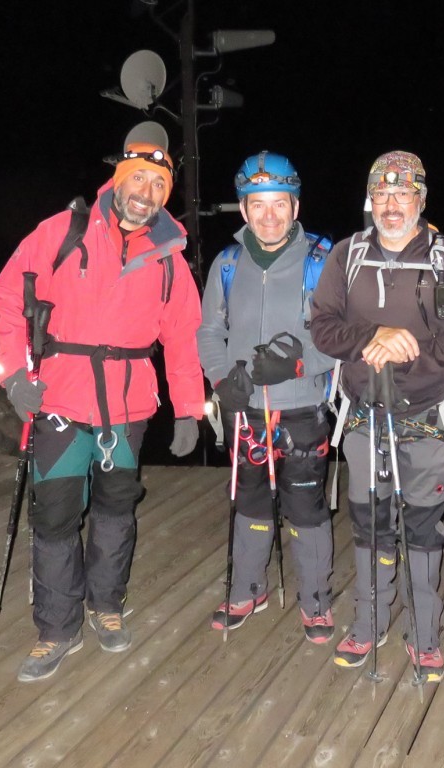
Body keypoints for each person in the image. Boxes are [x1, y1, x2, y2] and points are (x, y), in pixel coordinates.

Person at [0, 142, 206, 682]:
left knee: (115, 510)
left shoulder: (168, 260)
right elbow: (10, 296)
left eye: (159, 186)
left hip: (128, 408)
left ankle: (106, 605)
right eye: (139, 180)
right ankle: (57, 629)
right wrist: (16, 373)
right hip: (59, 399)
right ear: (119, 180)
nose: (147, 194)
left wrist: (187, 409)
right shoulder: (62, 231)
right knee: (56, 516)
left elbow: (183, 337)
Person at [310, 151, 444, 682]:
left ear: (421, 199)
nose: (392, 205)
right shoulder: (347, 255)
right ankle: (369, 621)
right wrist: (374, 338)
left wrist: (412, 348)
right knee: (369, 523)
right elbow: (323, 327)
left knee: (423, 525)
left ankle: (425, 629)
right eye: (383, 194)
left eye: (404, 194)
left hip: (427, 415)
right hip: (364, 412)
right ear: (371, 198)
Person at [196, 151, 338, 643]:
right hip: (244, 410)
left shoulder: (323, 259)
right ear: (243, 208)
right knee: (250, 501)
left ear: (295, 207)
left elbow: (343, 337)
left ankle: (316, 598)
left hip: (301, 407)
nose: (270, 215)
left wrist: (300, 363)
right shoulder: (228, 263)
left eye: (280, 203)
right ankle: (247, 588)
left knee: (305, 506)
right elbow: (209, 329)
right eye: (258, 205)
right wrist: (219, 379)